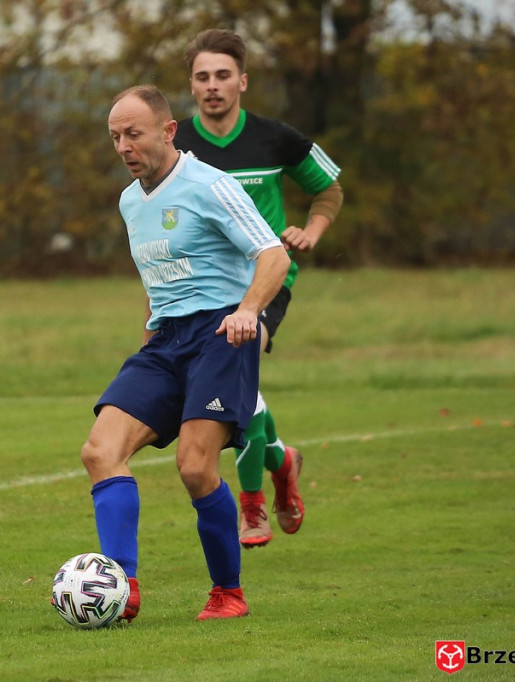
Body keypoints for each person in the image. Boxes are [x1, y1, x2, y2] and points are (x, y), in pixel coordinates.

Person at [83, 84, 290, 622]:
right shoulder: (130, 201)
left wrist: (249, 311)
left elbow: (272, 253)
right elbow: (156, 283)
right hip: (165, 341)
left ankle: (228, 593)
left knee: (196, 468)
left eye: (134, 134)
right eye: (115, 137)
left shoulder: (209, 185)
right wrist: (150, 338)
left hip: (222, 335)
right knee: (100, 452)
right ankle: (121, 588)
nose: (124, 146)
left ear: (168, 131)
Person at [174, 29, 344, 548]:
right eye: (202, 77)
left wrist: (309, 233)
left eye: (223, 75)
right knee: (234, 389)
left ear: (242, 81)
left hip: (265, 281)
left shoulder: (275, 137)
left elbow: (328, 188)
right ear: (192, 85)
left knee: (238, 356)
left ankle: (251, 507)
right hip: (202, 289)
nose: (213, 86)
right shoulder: (175, 141)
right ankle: (279, 459)